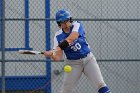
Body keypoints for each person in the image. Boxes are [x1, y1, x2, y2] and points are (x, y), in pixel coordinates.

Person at [44, 9, 111, 93]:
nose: (65, 23)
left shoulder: (77, 25)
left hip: (88, 60)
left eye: (67, 20)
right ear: (59, 23)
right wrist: (51, 54)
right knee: (66, 91)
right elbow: (58, 57)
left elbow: (71, 38)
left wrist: (55, 49)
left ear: (70, 19)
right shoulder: (58, 36)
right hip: (73, 64)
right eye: (62, 21)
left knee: (100, 84)